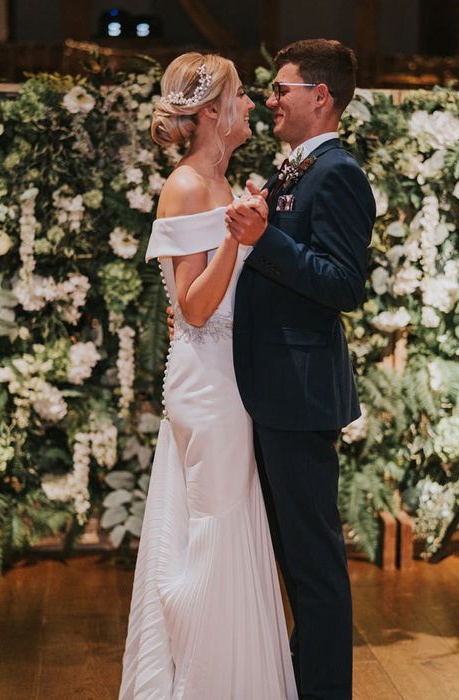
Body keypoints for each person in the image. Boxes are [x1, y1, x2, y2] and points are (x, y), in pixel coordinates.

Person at [119, 52, 297, 700]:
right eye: (243, 95)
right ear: (214, 111)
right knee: (213, 540)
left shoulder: (220, 183)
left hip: (226, 381)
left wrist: (241, 226)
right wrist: (238, 237)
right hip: (208, 387)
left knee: (225, 533)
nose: (252, 104)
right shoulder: (189, 185)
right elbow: (193, 306)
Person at [223, 39, 375, 700]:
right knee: (290, 562)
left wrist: (266, 241)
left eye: (282, 89)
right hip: (269, 391)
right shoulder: (289, 170)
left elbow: (345, 285)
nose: (269, 99)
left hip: (300, 395)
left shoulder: (338, 173)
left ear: (321, 97)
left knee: (314, 569)